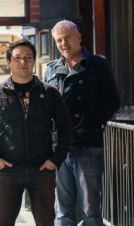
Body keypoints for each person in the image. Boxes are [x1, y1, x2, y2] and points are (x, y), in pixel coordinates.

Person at [0, 38, 73, 226]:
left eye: (28, 57)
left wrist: (56, 159)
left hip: (42, 170)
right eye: (18, 58)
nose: (23, 62)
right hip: (8, 170)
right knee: (1, 222)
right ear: (9, 61)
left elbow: (65, 128)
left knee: (46, 222)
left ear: (34, 61)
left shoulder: (50, 92)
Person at [45, 20, 120, 226]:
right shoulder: (51, 69)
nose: (64, 43)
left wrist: (92, 124)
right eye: (59, 40)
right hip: (58, 146)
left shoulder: (98, 65)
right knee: (62, 210)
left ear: (78, 37)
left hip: (87, 145)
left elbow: (112, 101)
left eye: (68, 37)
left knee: (90, 209)